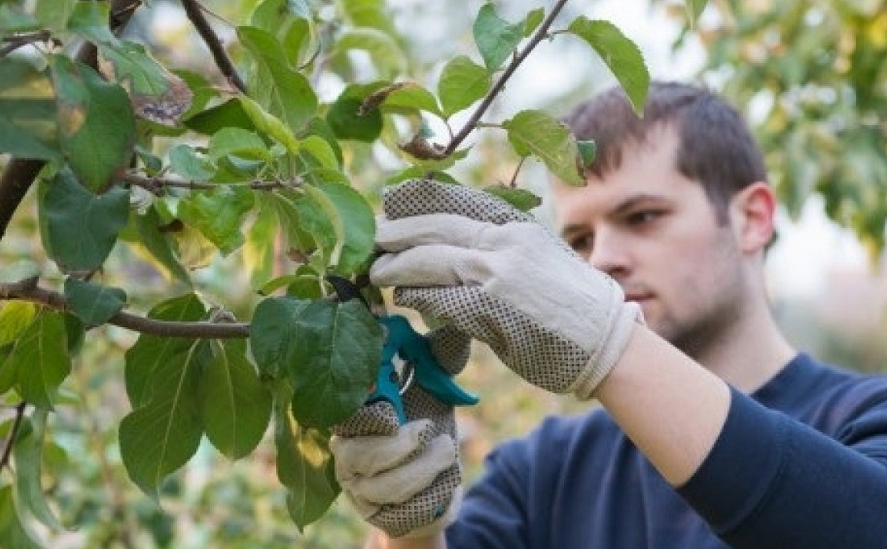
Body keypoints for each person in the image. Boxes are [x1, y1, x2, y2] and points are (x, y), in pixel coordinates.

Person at [329, 81, 887, 548]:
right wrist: (410, 530)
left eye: (643, 216)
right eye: (577, 238)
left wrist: (612, 345)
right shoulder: (543, 472)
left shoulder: (864, 417)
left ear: (753, 219)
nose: (601, 260)